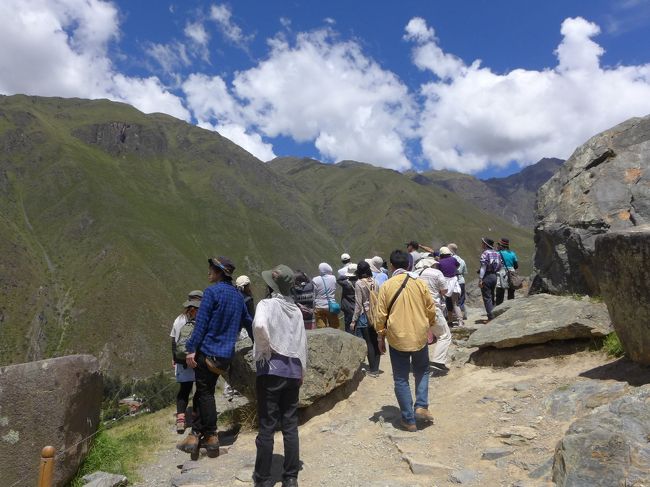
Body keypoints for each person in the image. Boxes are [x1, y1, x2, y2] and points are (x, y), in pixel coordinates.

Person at [177, 256, 252, 457]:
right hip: (224, 357)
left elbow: (201, 324)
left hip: (207, 352)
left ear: (219, 272)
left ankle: (210, 437)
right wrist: (256, 343)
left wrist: (191, 348)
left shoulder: (211, 292)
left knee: (205, 394)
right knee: (203, 391)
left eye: (211, 269)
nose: (208, 272)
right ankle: (194, 437)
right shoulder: (238, 296)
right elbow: (247, 320)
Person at [252, 264, 307, 487]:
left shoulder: (266, 304)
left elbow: (259, 325)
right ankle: (291, 477)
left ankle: (263, 478)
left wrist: (266, 348)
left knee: (267, 424)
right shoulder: (296, 310)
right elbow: (302, 343)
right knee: (290, 424)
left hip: (271, 371)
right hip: (293, 371)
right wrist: (301, 371)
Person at [375, 250, 437, 432]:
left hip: (397, 337)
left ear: (392, 266)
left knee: (401, 378)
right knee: (422, 371)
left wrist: (381, 336)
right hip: (419, 335)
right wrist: (430, 327)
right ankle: (421, 406)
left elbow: (380, 315)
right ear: (409, 265)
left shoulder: (387, 286)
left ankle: (409, 420)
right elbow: (430, 309)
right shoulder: (420, 283)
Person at [170, 293, 202, 433]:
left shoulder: (179, 319)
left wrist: (175, 358)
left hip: (182, 361)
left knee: (184, 390)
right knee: (200, 388)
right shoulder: (200, 318)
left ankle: (181, 420)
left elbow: (173, 341)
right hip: (196, 359)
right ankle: (196, 415)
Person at [414, 256, 451, 375]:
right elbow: (445, 290)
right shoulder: (436, 272)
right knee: (444, 335)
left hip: (416, 310)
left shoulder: (413, 275)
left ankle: (418, 363)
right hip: (433, 307)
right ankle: (438, 360)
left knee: (420, 337)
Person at [350, 261, 381, 377]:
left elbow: (358, 304)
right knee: (375, 340)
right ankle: (376, 368)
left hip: (365, 315)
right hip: (376, 313)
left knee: (369, 342)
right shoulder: (375, 282)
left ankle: (372, 370)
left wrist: (354, 320)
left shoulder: (359, 283)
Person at [438, 247, 464, 327]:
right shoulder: (453, 259)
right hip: (454, 282)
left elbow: (439, 272)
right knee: (455, 304)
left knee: (447, 303)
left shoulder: (440, 262)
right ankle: (460, 321)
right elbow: (458, 265)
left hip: (445, 284)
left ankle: (450, 321)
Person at [478, 238, 501, 322]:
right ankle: (494, 313)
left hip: (487, 276)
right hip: (494, 275)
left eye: (482, 243)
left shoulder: (485, 253)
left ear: (485, 244)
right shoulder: (496, 253)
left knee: (487, 297)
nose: (481, 245)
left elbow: (483, 267)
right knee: (492, 295)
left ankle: (491, 317)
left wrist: (480, 279)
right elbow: (500, 265)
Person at [312, 263, 340, 329]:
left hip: (319, 306)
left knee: (321, 328)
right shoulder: (333, 278)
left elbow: (314, 294)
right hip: (331, 306)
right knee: (334, 327)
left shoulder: (315, 280)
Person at [495, 238, 519, 305]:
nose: (498, 246)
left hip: (501, 273)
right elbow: (516, 266)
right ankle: (510, 307)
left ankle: (498, 308)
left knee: (500, 293)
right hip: (511, 273)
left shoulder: (497, 254)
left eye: (499, 245)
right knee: (511, 292)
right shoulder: (512, 254)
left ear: (501, 245)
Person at [447, 243, 467, 320]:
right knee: (461, 300)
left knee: (452, 301)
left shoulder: (449, 260)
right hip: (461, 281)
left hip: (452, 282)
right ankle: (462, 316)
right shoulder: (462, 260)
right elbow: (465, 272)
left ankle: (453, 317)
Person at [337, 263, 357, 334]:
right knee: (356, 326)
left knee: (348, 326)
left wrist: (346, 275)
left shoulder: (346, 283)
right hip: (357, 307)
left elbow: (338, 279)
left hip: (348, 307)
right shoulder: (359, 282)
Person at [235, 275, 255, 339]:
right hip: (244, 323)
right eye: (248, 286)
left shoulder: (233, 294)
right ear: (243, 287)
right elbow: (251, 318)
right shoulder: (248, 300)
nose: (249, 288)